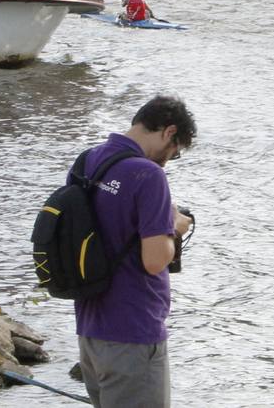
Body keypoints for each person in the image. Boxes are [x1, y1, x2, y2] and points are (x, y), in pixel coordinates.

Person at [69, 96, 195, 408]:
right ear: (169, 132)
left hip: (90, 329)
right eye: (173, 153)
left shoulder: (89, 160)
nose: (167, 161)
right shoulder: (148, 175)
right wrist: (174, 227)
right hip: (134, 332)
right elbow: (154, 262)